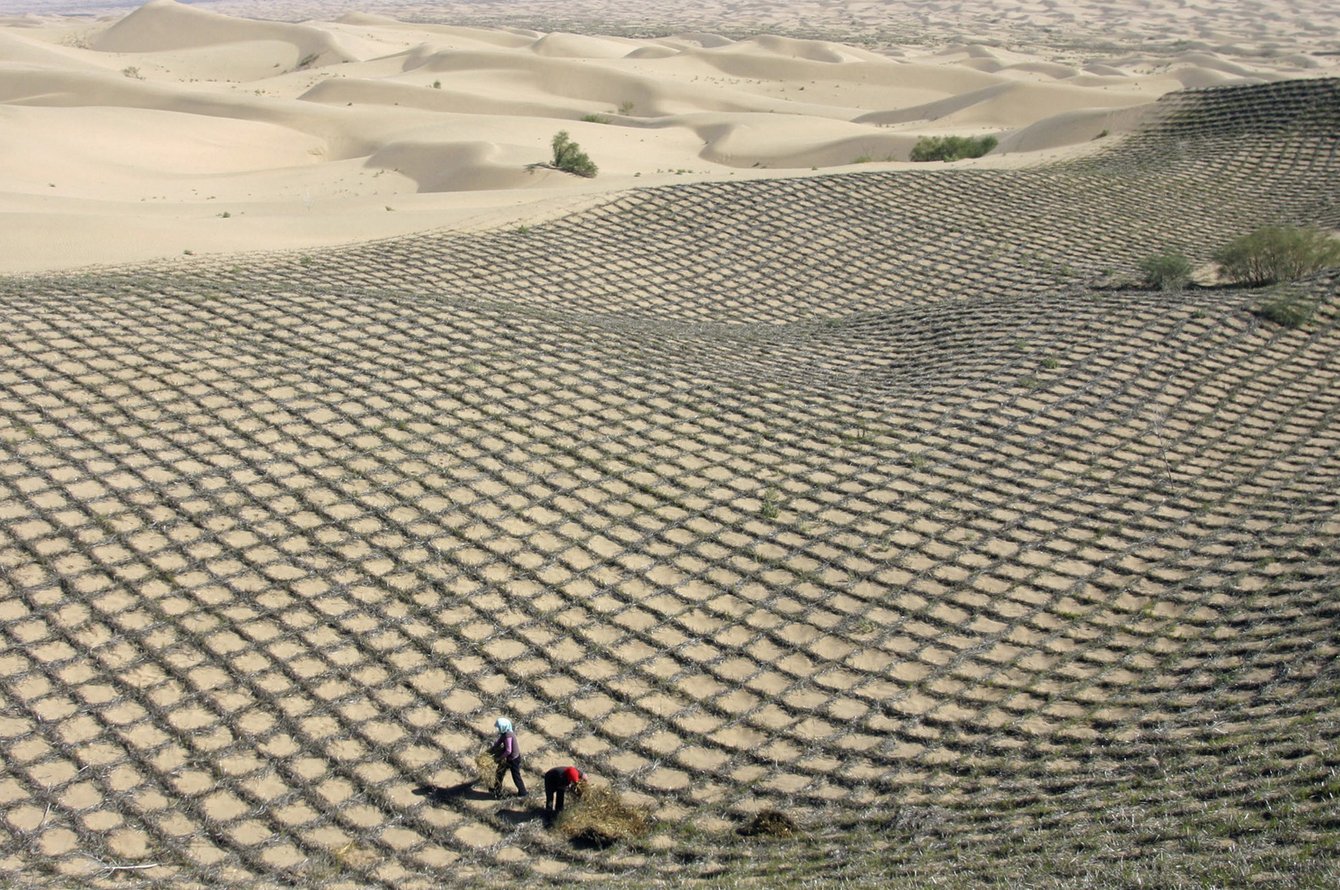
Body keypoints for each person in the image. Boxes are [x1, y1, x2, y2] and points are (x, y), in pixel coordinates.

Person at [489, 717, 527, 798]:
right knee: (499, 773)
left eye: (499, 727)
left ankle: (523, 792)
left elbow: (508, 750)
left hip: (513, 759)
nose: (498, 729)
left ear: (503, 727)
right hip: (508, 758)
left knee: (516, 776)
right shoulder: (505, 733)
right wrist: (493, 748)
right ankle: (497, 789)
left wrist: (499, 758)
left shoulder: (508, 735)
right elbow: (499, 741)